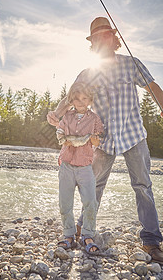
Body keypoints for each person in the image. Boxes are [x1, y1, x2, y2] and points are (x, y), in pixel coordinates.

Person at [47, 17, 163, 263]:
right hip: (100, 139)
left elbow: (152, 86)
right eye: (96, 38)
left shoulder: (132, 64)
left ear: (114, 38)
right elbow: (69, 99)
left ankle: (151, 241)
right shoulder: (88, 73)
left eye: (105, 35)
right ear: (93, 43)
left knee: (143, 187)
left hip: (133, 136)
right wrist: (56, 115)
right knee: (94, 186)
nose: (101, 40)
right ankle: (81, 230)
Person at [56, 81, 104, 254]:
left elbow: (98, 140)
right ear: (72, 101)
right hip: (66, 165)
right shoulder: (67, 117)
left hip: (85, 167)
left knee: (90, 201)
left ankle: (87, 235)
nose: (81, 102)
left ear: (90, 100)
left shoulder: (95, 119)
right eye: (77, 99)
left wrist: (94, 140)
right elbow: (60, 132)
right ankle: (68, 235)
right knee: (65, 202)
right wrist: (64, 139)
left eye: (85, 98)